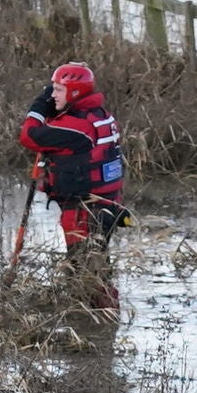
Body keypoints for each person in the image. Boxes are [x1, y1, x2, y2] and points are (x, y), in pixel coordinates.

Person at [18, 60, 128, 256]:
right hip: (106, 203)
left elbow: (29, 135)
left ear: (75, 92)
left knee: (82, 268)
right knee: (96, 263)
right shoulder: (100, 115)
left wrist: (40, 106)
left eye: (58, 90)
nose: (52, 95)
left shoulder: (78, 126)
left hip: (84, 210)